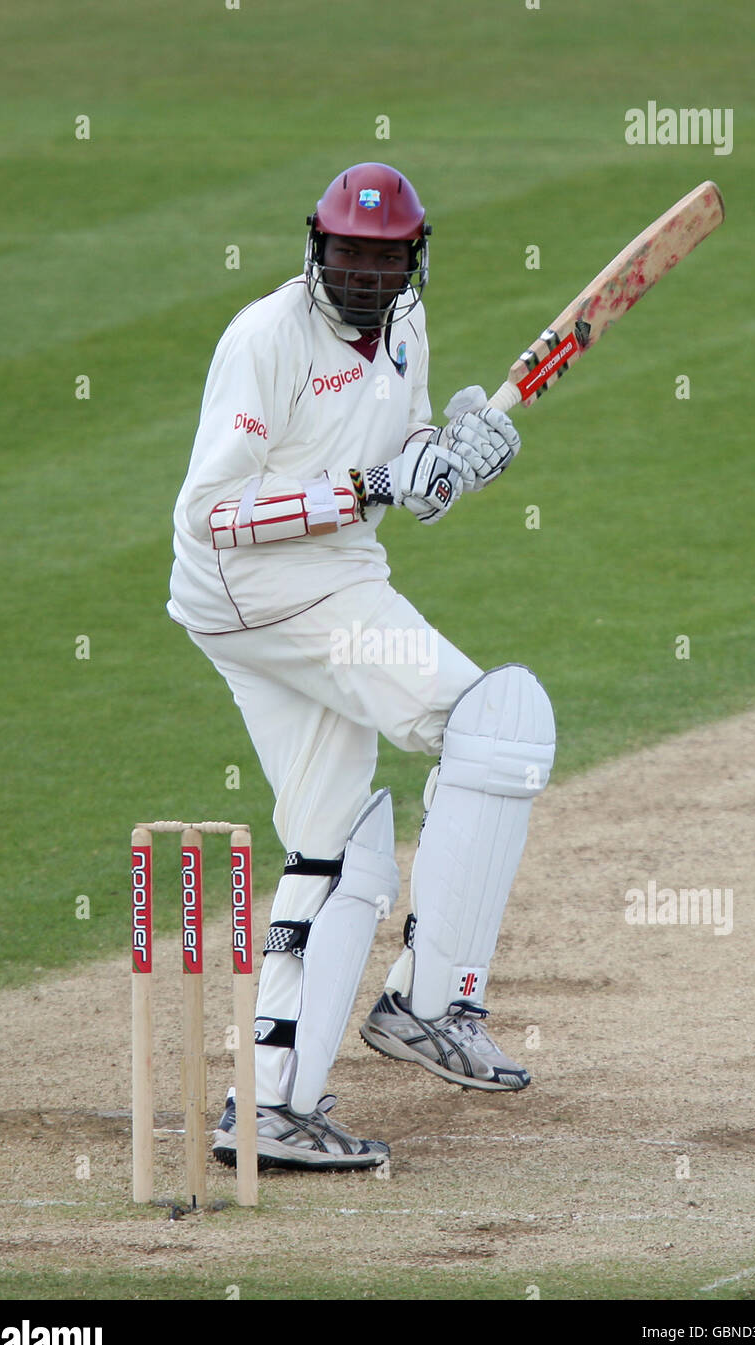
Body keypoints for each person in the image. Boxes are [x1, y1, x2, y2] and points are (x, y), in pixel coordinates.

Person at [167, 162, 556, 1172]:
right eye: (349, 255)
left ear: (409, 259)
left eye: (385, 260)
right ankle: (431, 1004)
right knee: (497, 718)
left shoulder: (405, 328)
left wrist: (449, 454)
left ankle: (269, 1106)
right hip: (266, 587)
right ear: (317, 246)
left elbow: (403, 461)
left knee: (337, 836)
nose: (366, 276)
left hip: (326, 577)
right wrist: (375, 483)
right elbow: (212, 513)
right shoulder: (266, 339)